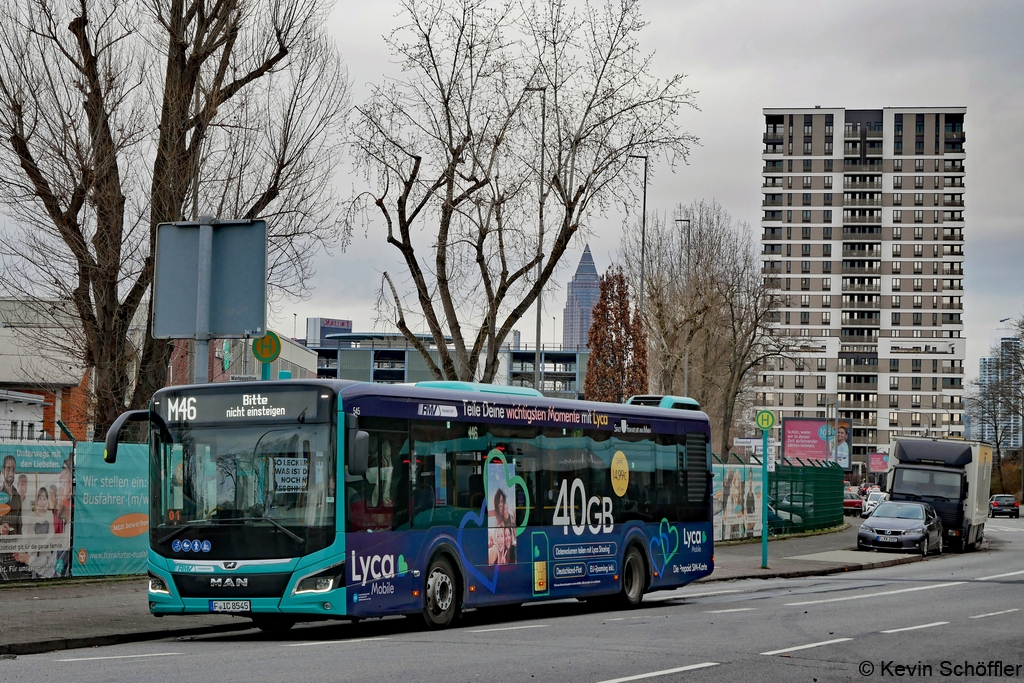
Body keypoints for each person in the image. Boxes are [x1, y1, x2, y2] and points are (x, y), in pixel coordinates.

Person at [0, 455, 23, 536]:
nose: (11, 473)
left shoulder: (17, 496)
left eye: (13, 470)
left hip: (14, 545)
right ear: (3, 471)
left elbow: (19, 526)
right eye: (8, 469)